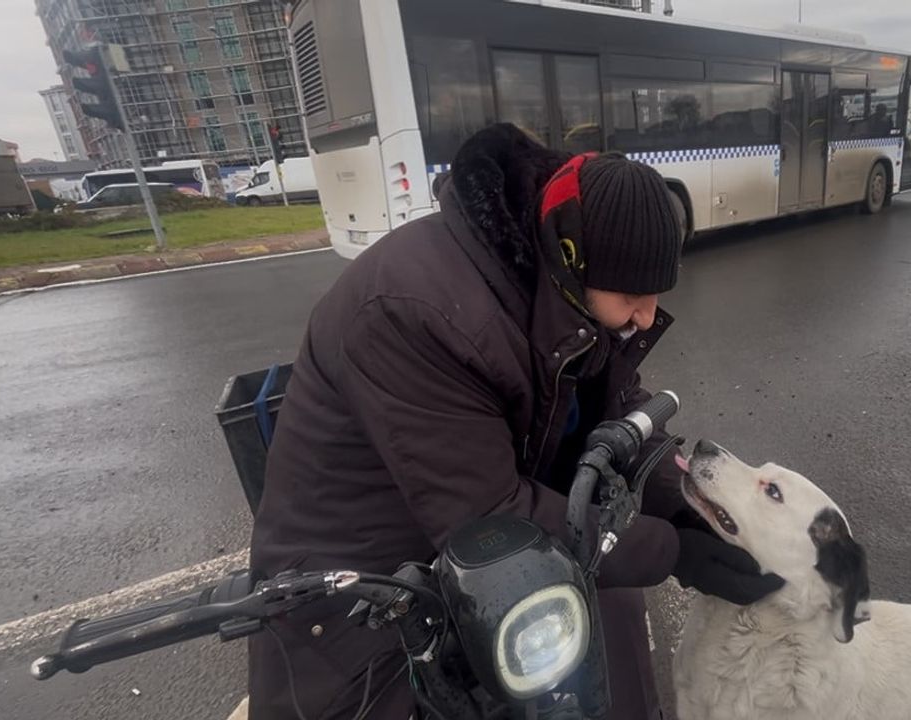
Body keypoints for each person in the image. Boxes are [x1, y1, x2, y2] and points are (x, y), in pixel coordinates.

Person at [247, 124, 784, 720]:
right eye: (634, 292)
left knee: (612, 597)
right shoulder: (415, 312)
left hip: (456, 536)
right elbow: (491, 522)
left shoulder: (561, 287)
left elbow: (618, 407)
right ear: (572, 256)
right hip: (360, 600)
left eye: (659, 291)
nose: (648, 314)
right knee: (584, 596)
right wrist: (671, 550)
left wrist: (683, 504)